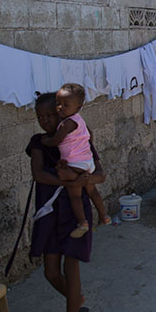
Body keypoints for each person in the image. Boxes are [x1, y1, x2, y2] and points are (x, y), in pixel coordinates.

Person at [27, 92, 106, 312]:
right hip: (50, 211)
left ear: (63, 113)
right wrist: (70, 180)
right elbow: (38, 174)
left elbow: (100, 175)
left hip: (75, 210)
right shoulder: (39, 142)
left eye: (51, 114)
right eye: (41, 117)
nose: (46, 120)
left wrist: (81, 180)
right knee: (50, 271)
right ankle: (76, 301)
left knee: (70, 266)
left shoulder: (79, 137)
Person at [41, 83, 109, 235]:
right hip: (88, 163)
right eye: (58, 104)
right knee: (92, 191)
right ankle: (104, 216)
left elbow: (56, 141)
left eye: (65, 105)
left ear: (78, 107)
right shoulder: (79, 120)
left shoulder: (67, 123)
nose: (60, 108)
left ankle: (82, 222)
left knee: (75, 194)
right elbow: (90, 135)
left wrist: (46, 141)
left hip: (75, 163)